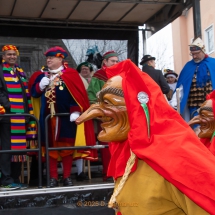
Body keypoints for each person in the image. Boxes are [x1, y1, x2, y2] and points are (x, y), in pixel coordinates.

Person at [76, 59, 215, 214]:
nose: (97, 112)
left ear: (138, 110)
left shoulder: (180, 158)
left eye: (108, 103)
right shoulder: (127, 157)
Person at [29, 46, 97, 187]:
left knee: (67, 148)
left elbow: (77, 95)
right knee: (49, 148)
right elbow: (34, 94)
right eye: (47, 58)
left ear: (60, 59)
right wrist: (40, 86)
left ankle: (67, 177)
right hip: (46, 119)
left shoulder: (70, 74)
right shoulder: (42, 75)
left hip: (66, 118)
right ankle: (53, 177)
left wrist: (75, 111)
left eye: (51, 58)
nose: (48, 60)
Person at [0, 45, 35, 190]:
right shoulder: (1, 70)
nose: (12, 57)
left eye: (14, 54)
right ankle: (6, 180)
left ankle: (15, 178)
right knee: (7, 149)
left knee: (18, 150)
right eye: (9, 54)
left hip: (22, 117)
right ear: (3, 55)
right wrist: (9, 105)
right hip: (8, 116)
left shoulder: (20, 71)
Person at [87, 50, 119, 181]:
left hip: (122, 116)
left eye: (117, 61)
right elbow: (92, 96)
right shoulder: (99, 76)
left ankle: (121, 172)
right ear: (104, 62)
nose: (116, 63)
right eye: (113, 61)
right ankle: (109, 173)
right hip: (106, 117)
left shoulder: (121, 75)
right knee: (107, 147)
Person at [172, 37, 215, 124]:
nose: (194, 56)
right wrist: (174, 102)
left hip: (211, 106)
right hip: (194, 107)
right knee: (197, 130)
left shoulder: (213, 63)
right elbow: (180, 87)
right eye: (192, 54)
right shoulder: (188, 66)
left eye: (197, 53)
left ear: (203, 50)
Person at [75, 61, 94, 181]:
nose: (85, 70)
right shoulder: (76, 80)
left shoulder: (94, 81)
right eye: (83, 68)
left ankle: (81, 171)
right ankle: (79, 172)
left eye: (87, 68)